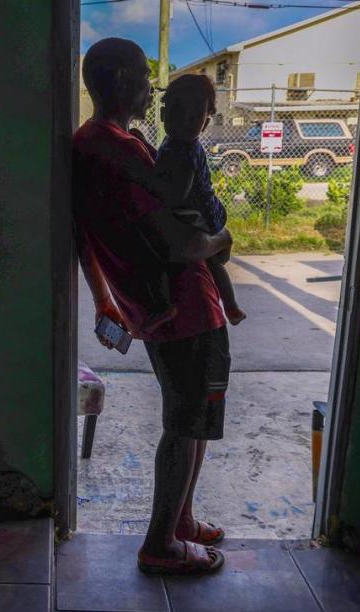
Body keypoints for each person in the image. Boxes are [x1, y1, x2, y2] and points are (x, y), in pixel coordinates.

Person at [73, 38, 233, 575]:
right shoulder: (122, 150)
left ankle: (181, 520)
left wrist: (103, 298)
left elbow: (83, 238)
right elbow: (182, 245)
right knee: (185, 424)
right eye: (145, 75)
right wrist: (221, 238)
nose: (152, 87)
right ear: (119, 79)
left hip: (164, 311)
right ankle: (161, 541)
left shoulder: (89, 145)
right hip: (187, 308)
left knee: (192, 419)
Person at [157, 74, 245, 325]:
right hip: (199, 209)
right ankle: (231, 306)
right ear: (163, 113)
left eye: (194, 116)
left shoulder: (185, 151)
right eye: (178, 112)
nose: (185, 121)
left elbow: (176, 196)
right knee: (215, 263)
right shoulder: (174, 144)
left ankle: (162, 305)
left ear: (205, 124)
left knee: (180, 255)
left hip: (199, 212)